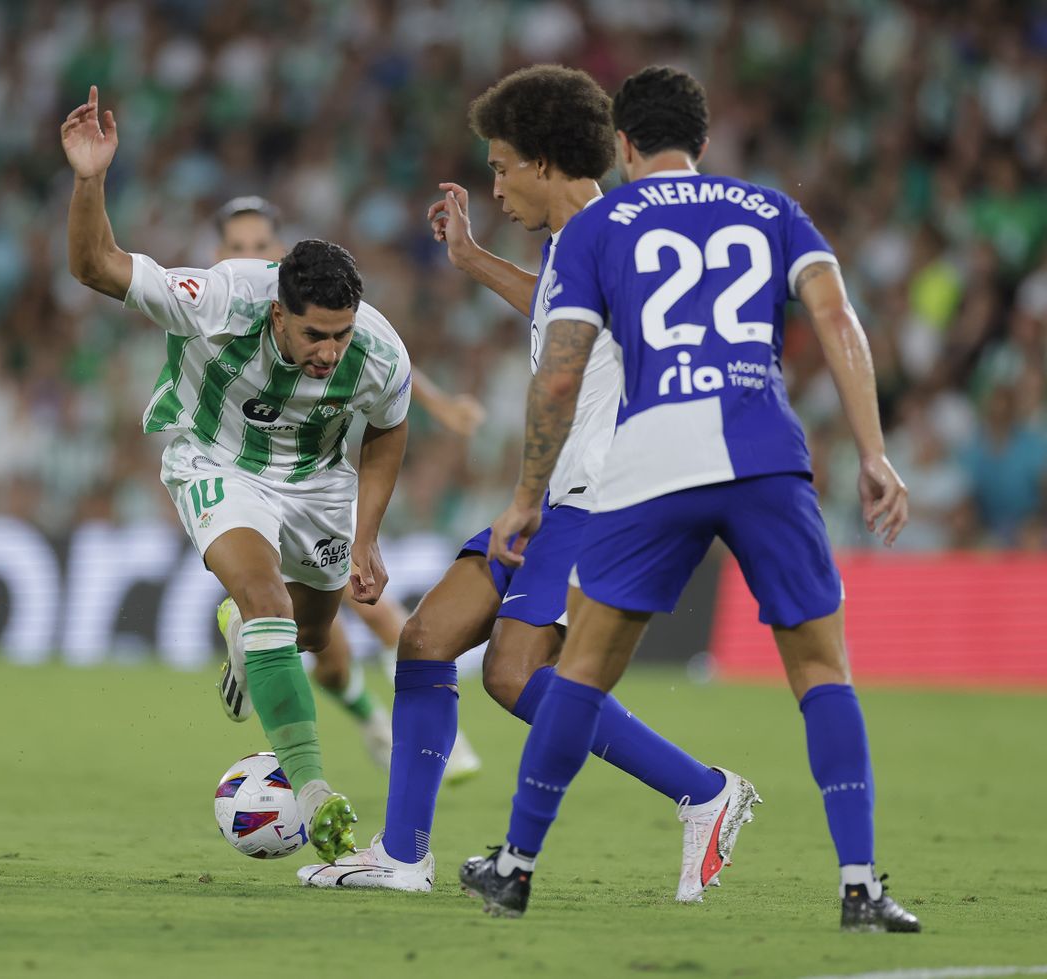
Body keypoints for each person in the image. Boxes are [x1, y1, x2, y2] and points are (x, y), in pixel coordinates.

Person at [458, 66, 920, 933]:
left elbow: (559, 372)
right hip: (765, 455)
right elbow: (836, 318)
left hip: (652, 462)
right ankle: (860, 887)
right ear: (702, 143)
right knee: (823, 670)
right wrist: (873, 451)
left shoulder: (600, 226)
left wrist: (525, 495)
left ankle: (514, 868)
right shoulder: (771, 209)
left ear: (623, 145)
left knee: (582, 670)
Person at [300, 65, 753, 898]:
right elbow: (556, 306)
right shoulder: (577, 242)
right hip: (556, 495)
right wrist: (473, 260)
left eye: (503, 167)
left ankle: (705, 790)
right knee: (427, 638)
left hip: (599, 495)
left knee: (512, 673)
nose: (497, 187)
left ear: (545, 162)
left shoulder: (609, 236)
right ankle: (402, 855)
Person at [63, 86, 412, 862]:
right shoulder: (223, 297)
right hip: (217, 459)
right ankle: (314, 790)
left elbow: (390, 427)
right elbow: (94, 265)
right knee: (266, 598)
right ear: (278, 312)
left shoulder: (379, 350)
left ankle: (243, 635)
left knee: (311, 634)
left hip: (319, 482)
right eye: (316, 334)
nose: (330, 350)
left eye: (341, 333)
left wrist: (367, 535)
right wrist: (90, 178)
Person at [208, 196, 481, 782]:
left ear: (278, 255)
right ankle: (378, 722)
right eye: (237, 247)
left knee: (345, 613)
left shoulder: (316, 324)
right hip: (241, 481)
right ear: (218, 254)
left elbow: (380, 362)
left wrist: (437, 403)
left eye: (260, 246)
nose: (249, 255)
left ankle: (415, 726)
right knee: (319, 649)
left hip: (314, 484)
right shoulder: (218, 309)